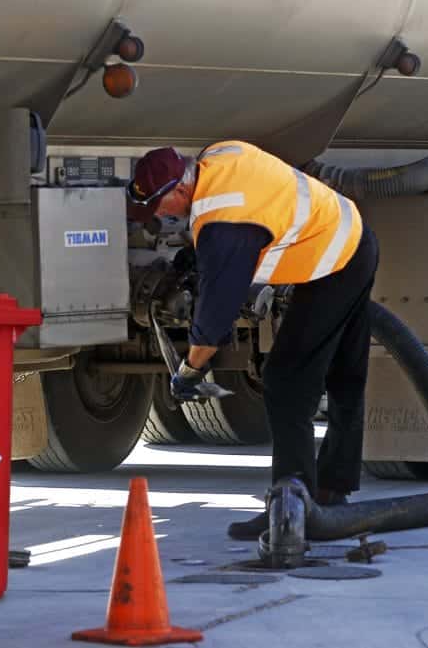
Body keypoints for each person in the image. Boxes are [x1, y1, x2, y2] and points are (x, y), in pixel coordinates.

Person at [127, 141, 379, 540]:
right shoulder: (218, 155)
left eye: (158, 208)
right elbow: (259, 207)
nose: (158, 217)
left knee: (285, 380)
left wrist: (189, 372)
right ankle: (331, 491)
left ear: (179, 190)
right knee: (344, 373)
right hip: (350, 233)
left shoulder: (222, 221)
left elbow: (214, 319)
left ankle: (291, 502)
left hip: (335, 261)